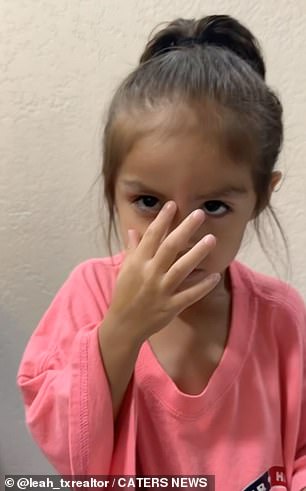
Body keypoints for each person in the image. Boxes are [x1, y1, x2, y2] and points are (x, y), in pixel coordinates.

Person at [17, 14, 306, 491]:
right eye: (148, 202)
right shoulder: (89, 294)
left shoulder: (282, 319)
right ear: (113, 190)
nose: (178, 234)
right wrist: (122, 328)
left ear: (261, 198)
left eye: (213, 206)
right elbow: (70, 457)